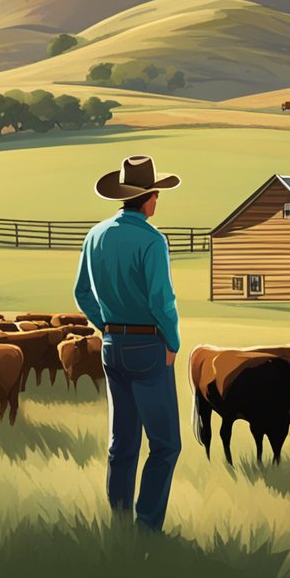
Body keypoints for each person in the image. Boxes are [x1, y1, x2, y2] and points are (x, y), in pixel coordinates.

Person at [74, 155, 183, 533]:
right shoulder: (152, 240)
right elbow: (161, 301)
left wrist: (105, 325)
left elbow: (81, 292)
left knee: (122, 442)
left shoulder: (95, 235)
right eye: (156, 195)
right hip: (148, 347)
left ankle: (117, 523)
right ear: (149, 197)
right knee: (166, 444)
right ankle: (147, 527)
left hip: (111, 345)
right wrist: (173, 341)